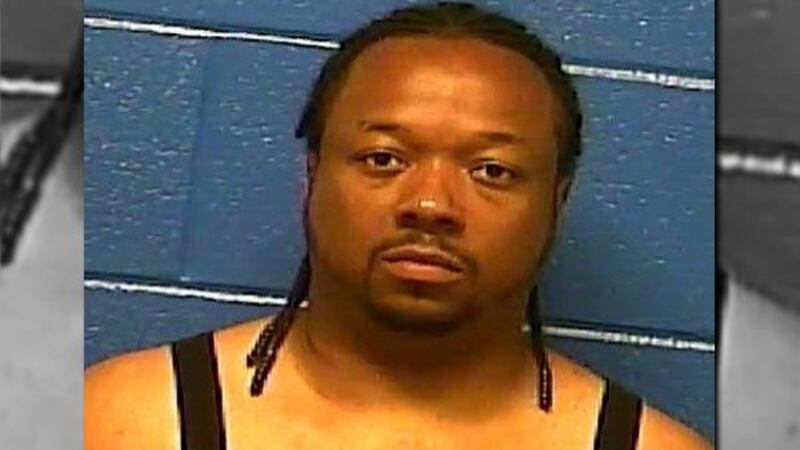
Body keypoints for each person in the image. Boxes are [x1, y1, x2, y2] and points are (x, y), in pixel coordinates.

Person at [85, 3, 711, 449]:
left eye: (492, 170)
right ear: (312, 175)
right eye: (384, 159)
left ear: (557, 201)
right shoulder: (122, 422)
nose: (431, 204)